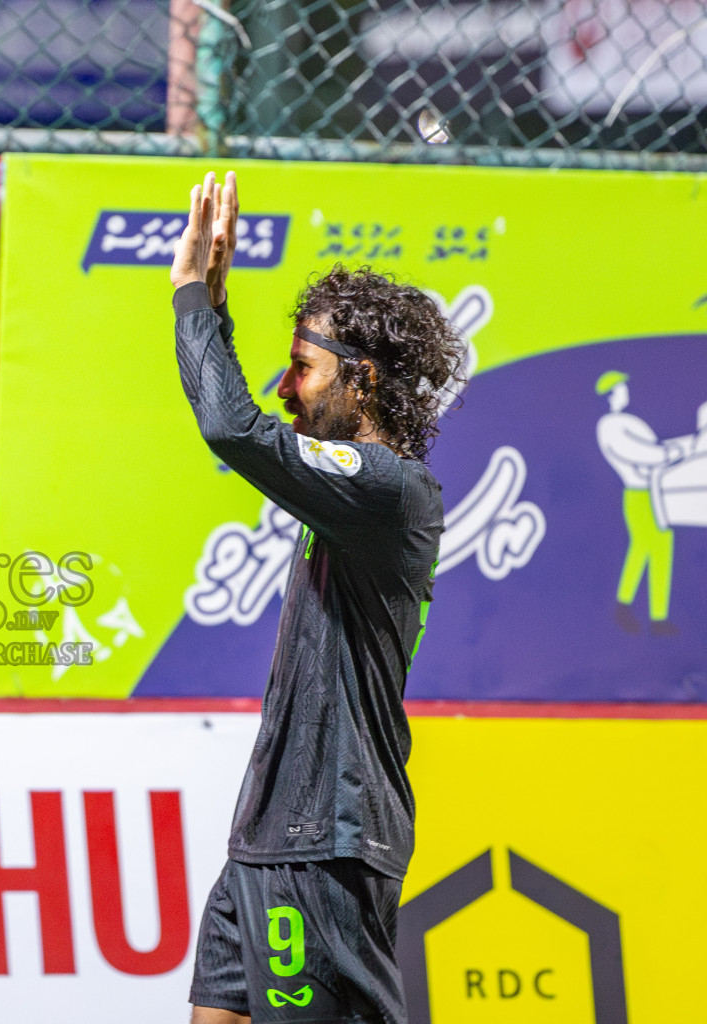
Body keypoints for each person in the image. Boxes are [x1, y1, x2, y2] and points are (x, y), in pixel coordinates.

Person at [172, 172, 462, 1023]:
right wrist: (212, 313)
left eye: (303, 367)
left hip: (326, 842)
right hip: (266, 837)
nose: (283, 385)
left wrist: (194, 295)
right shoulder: (350, 491)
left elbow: (232, 428)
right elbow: (244, 422)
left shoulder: (388, 488)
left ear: (362, 382)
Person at [594, 370, 687, 632]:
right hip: (638, 495)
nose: (626, 391)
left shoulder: (629, 421)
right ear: (611, 394)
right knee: (642, 549)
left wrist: (675, 449)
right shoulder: (611, 426)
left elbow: (656, 449)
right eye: (622, 388)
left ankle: (658, 617)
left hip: (655, 492)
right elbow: (642, 453)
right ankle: (623, 607)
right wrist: (675, 451)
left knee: (661, 551)